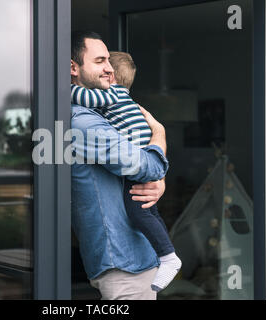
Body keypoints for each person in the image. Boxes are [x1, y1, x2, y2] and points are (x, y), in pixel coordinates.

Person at [71, 51, 181, 292]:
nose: (106, 69)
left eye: (107, 63)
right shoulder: (88, 117)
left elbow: (149, 167)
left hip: (130, 264)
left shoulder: (105, 98)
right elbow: (150, 168)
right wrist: (158, 141)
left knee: (139, 209)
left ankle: (169, 256)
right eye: (99, 62)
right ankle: (167, 255)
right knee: (146, 209)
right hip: (128, 262)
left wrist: (156, 173)